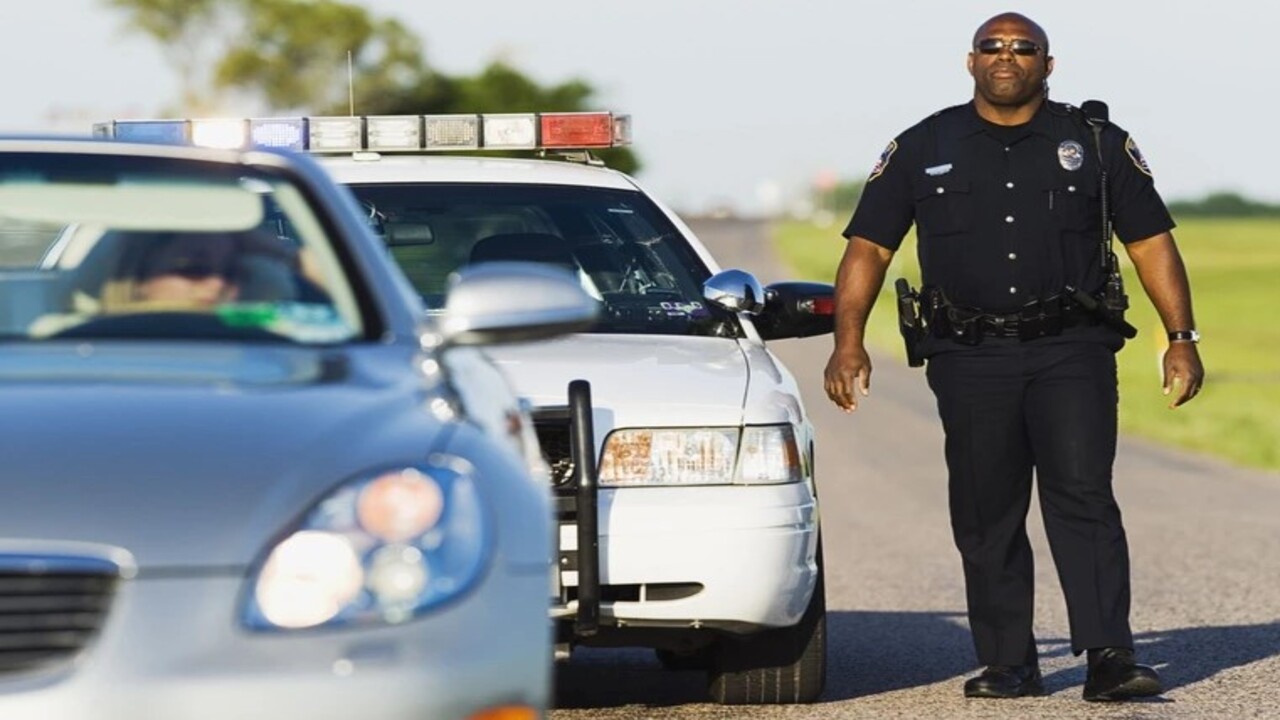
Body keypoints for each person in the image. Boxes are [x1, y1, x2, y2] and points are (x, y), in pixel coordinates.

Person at [823, 12, 1204, 703]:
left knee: (1083, 496)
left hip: (1072, 348)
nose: (1007, 57)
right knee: (985, 507)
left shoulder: (1094, 143)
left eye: (1022, 48)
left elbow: (1151, 243)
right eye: (992, 47)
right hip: (967, 356)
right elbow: (868, 248)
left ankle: (1109, 657)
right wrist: (847, 342)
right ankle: (1009, 662)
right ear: (969, 62)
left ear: (1047, 65)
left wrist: (1181, 338)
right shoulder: (922, 145)